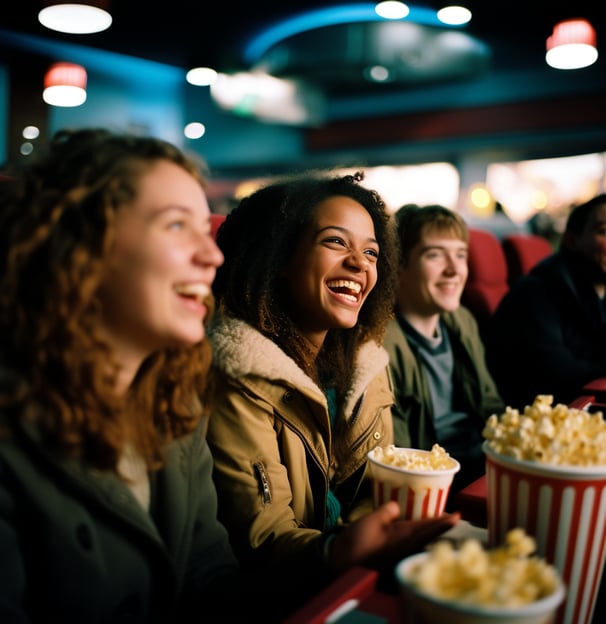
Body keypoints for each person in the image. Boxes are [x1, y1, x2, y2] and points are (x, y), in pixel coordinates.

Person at [0, 128, 248, 623]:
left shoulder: (176, 408)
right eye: (178, 226)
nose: (213, 255)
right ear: (82, 246)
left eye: (207, 229)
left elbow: (211, 576)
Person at [205, 172, 460, 621]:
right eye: (336, 243)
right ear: (279, 255)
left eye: (370, 252)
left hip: (357, 580)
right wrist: (337, 550)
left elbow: (375, 489)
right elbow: (264, 544)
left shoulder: (367, 366)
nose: (360, 265)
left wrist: (371, 536)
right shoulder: (236, 374)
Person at [383, 204, 504, 498]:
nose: (454, 270)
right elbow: (398, 458)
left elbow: (490, 403)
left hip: (484, 462)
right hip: (436, 482)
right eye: (434, 254)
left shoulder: (462, 320)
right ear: (399, 267)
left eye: (460, 255)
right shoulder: (381, 344)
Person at [487, 193, 606, 410]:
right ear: (571, 240)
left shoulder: (596, 289)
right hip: (537, 424)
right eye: (603, 231)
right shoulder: (536, 293)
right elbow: (559, 375)